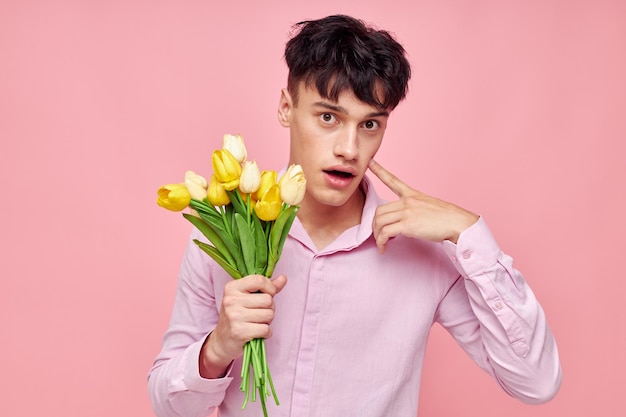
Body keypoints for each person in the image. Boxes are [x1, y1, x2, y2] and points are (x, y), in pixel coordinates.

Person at [148, 14, 561, 417]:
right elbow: (169, 407)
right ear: (286, 108)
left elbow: (537, 383)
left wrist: (468, 233)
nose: (349, 148)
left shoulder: (424, 253)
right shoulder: (225, 237)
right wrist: (217, 347)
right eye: (328, 117)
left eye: (369, 125)